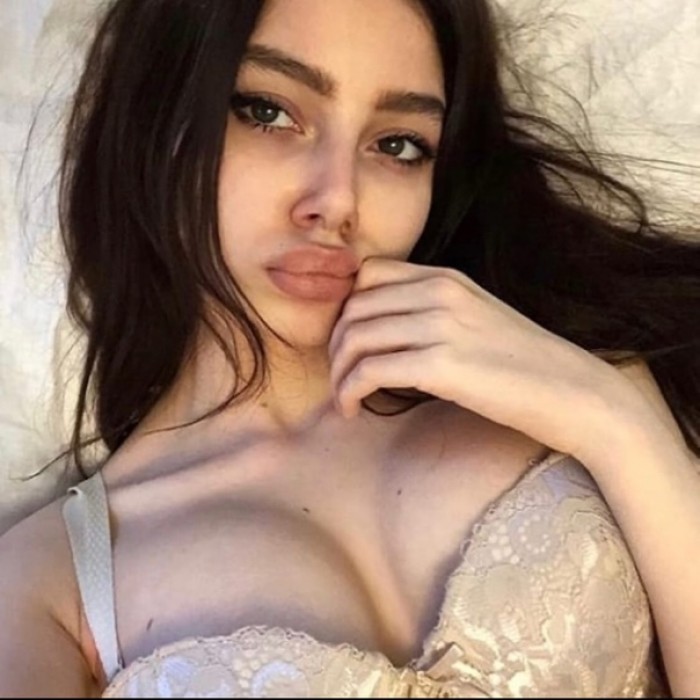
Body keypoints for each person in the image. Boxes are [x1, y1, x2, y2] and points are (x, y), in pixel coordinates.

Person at [1, 0, 699, 696]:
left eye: (398, 146)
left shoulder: (574, 373)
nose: (338, 201)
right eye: (269, 113)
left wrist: (619, 424)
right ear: (158, 120)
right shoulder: (46, 581)